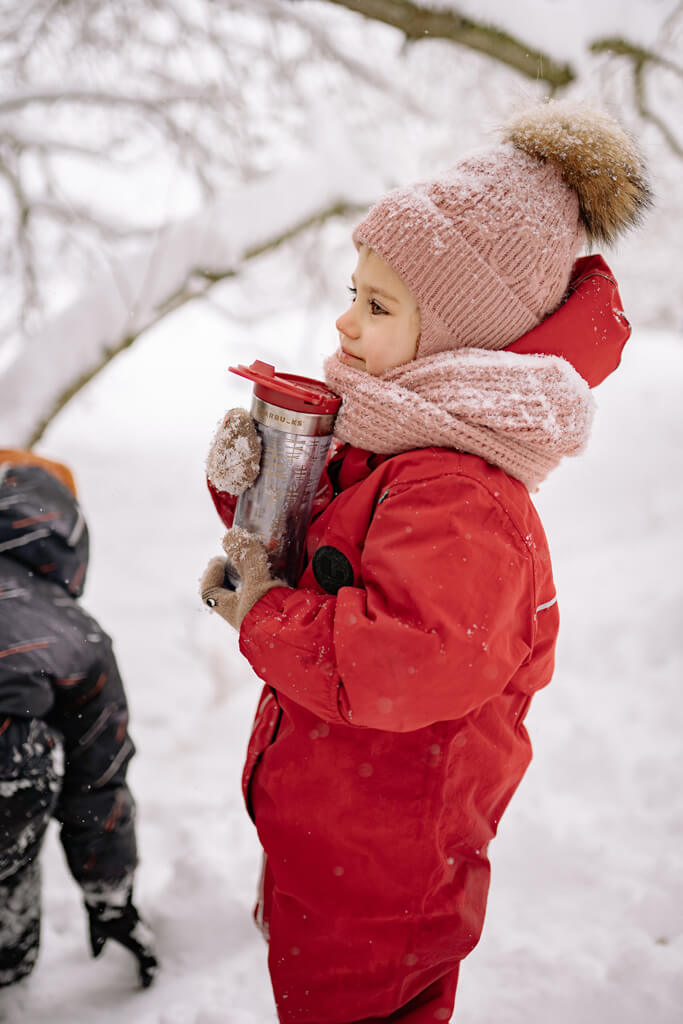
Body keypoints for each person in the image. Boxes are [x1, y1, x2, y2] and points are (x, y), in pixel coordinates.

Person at [200, 101, 649, 1023]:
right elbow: (328, 550)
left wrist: (262, 616)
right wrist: (255, 486)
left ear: (453, 337)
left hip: (384, 857)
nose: (344, 320)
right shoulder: (393, 449)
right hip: (342, 830)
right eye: (352, 291)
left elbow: (405, 662)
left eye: (377, 305)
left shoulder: (459, 495)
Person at [0, 450, 157, 990]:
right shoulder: (72, 630)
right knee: (23, 754)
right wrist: (110, 894)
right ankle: (6, 961)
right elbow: (98, 772)